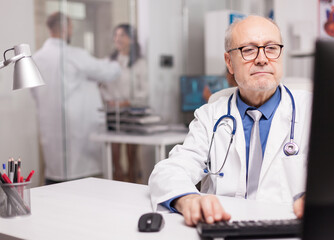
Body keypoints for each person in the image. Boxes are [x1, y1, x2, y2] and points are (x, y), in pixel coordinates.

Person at [149, 15, 311, 226]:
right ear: (229, 63)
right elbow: (170, 170)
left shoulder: (313, 109)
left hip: (286, 229)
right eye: (249, 50)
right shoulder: (210, 116)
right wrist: (187, 200)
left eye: (271, 48)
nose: (262, 59)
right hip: (221, 226)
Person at [31, 12, 121, 184]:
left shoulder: (36, 58)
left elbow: (34, 93)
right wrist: (117, 60)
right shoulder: (73, 54)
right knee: (78, 188)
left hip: (51, 133)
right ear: (65, 28)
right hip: (76, 134)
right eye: (71, 27)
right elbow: (107, 71)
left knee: (55, 184)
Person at [99, 24, 148, 183]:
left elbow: (145, 91)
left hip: (132, 113)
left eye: (122, 35)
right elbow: (102, 85)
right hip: (113, 113)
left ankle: (133, 184)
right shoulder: (108, 62)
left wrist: (127, 102)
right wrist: (109, 100)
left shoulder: (140, 63)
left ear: (131, 39)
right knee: (114, 156)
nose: (117, 39)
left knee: (131, 155)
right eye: (116, 35)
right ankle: (116, 189)